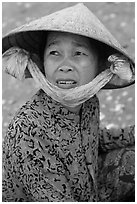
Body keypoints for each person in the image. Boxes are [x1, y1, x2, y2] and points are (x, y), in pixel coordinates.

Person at [2, 3, 135, 202]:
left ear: (99, 66)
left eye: (78, 53)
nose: (65, 66)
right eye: (54, 53)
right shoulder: (28, 132)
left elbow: (92, 138)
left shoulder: (88, 103)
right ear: (43, 63)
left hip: (89, 188)